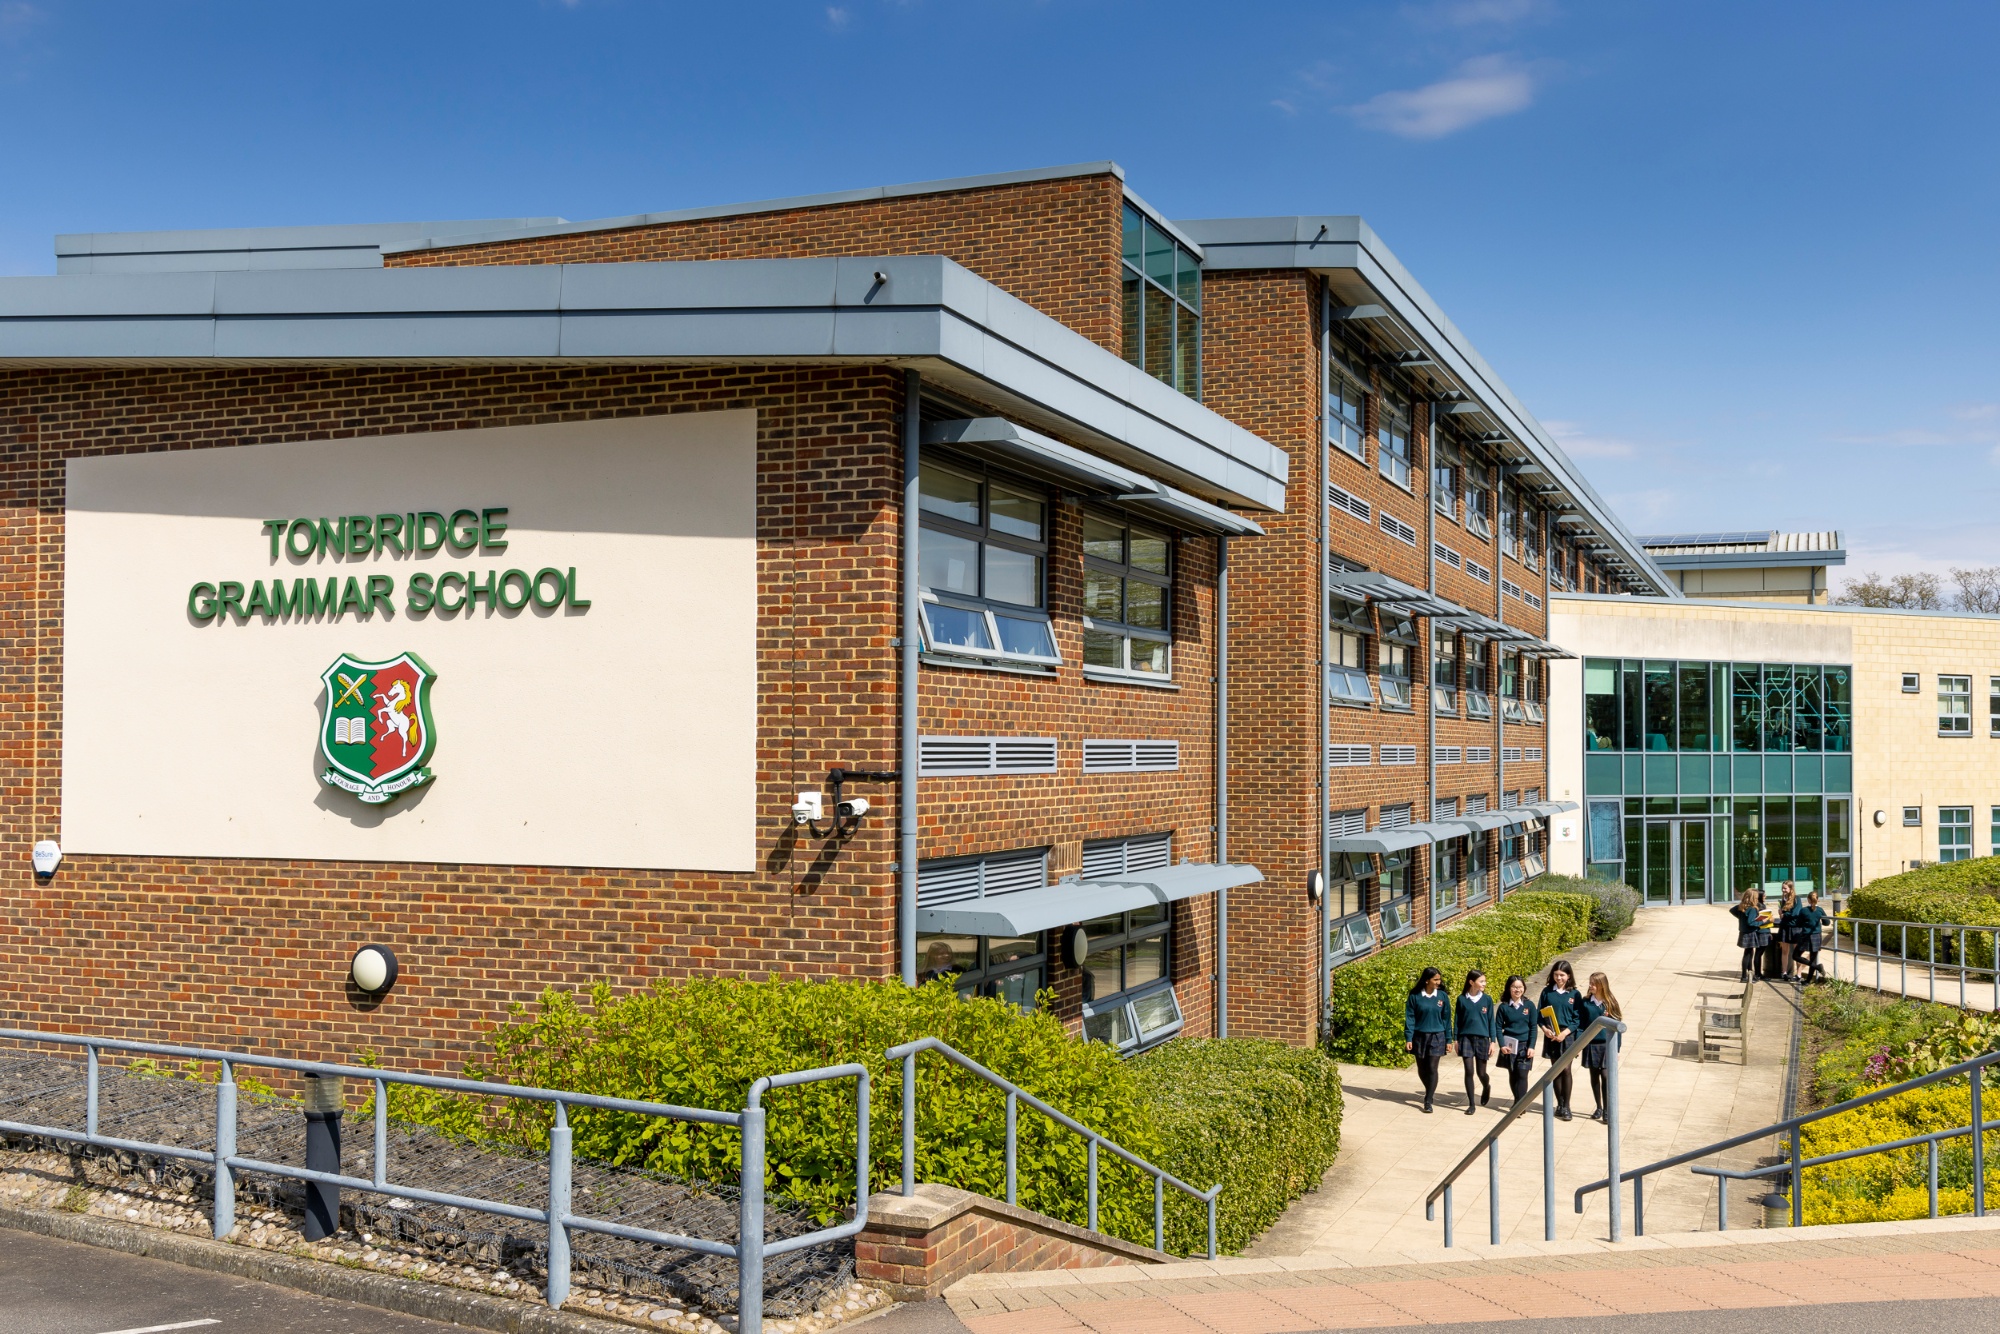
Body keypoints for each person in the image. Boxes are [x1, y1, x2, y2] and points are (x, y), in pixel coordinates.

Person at [1537, 959, 1585, 1121]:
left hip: (1567, 1036)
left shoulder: (1574, 994)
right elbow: (1540, 1015)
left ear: (1569, 976)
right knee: (1555, 1070)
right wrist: (1545, 1029)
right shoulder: (1546, 992)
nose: (1559, 978)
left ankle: (1567, 1106)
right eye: (1556, 975)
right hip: (1551, 1036)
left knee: (1566, 1070)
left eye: (1562, 975)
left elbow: (1578, 1019)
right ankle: (1559, 1104)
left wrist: (1564, 1033)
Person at [1405, 966, 1453, 1114]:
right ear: (1427, 980)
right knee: (1422, 1068)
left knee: (1432, 1068)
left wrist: (1449, 1039)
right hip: (1419, 1035)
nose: (1439, 982)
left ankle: (1428, 1099)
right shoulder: (1414, 996)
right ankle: (1429, 1089)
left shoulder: (1442, 997)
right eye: (1435, 979)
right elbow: (1410, 1018)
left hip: (1437, 1036)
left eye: (1439, 979)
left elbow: (1446, 1018)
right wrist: (1409, 1037)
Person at [1578, 972, 1624, 1123]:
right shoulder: (1585, 1003)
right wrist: (1579, 1044)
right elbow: (1581, 1025)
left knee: (1605, 1076)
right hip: (1591, 1044)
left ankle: (1607, 1109)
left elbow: (1618, 1027)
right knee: (1594, 1076)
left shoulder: (1610, 1003)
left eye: (1593, 983)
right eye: (1590, 983)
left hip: (1606, 1045)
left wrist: (1617, 1049)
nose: (1590, 986)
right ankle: (1598, 1106)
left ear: (1601, 985)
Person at [1452, 969, 1496, 1115]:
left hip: (1483, 1039)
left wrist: (1493, 1041)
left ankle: (1486, 1086)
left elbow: (1491, 1021)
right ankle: (1471, 1104)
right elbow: (1457, 1021)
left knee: (1481, 1072)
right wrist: (1455, 1039)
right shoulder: (1462, 999)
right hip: (1466, 1039)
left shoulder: (1487, 999)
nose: (1484, 983)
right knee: (1469, 1071)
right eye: (1481, 981)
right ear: (1472, 982)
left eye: (1484, 981)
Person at [1496, 974, 1538, 1105]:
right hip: (1509, 1045)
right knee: (1513, 1074)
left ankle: (1520, 1104)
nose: (1517, 990)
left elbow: (1533, 1028)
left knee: (1522, 1074)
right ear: (1509, 988)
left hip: (1524, 1045)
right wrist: (1502, 1045)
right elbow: (1497, 1027)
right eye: (1514, 987)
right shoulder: (1503, 1007)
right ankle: (1517, 1100)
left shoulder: (1529, 1005)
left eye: (1520, 987)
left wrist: (1531, 1046)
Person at [1730, 887, 1770, 983]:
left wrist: (1741, 918)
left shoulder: (1741, 906)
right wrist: (1762, 921)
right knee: (1748, 954)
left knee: (1748, 953)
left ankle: (1747, 974)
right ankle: (1744, 977)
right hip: (1750, 933)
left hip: (1743, 932)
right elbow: (1751, 923)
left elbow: (1732, 910)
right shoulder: (1752, 909)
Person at [1796, 890, 1830, 983]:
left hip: (1805, 936)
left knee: (1795, 955)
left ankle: (1817, 967)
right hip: (1816, 936)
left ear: (1808, 900)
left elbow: (1798, 923)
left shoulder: (1803, 910)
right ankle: (1808, 980)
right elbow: (1827, 923)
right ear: (1817, 900)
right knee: (1813, 958)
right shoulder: (1820, 910)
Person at [1776, 883, 1800, 980]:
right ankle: (1784, 972)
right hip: (1785, 927)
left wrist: (1784, 914)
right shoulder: (1783, 899)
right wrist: (1781, 913)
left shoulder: (1796, 899)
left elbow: (1796, 913)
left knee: (1797, 951)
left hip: (1795, 927)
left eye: (1785, 888)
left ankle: (1798, 974)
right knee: (1784, 951)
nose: (1783, 890)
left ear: (1791, 888)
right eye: (1782, 888)